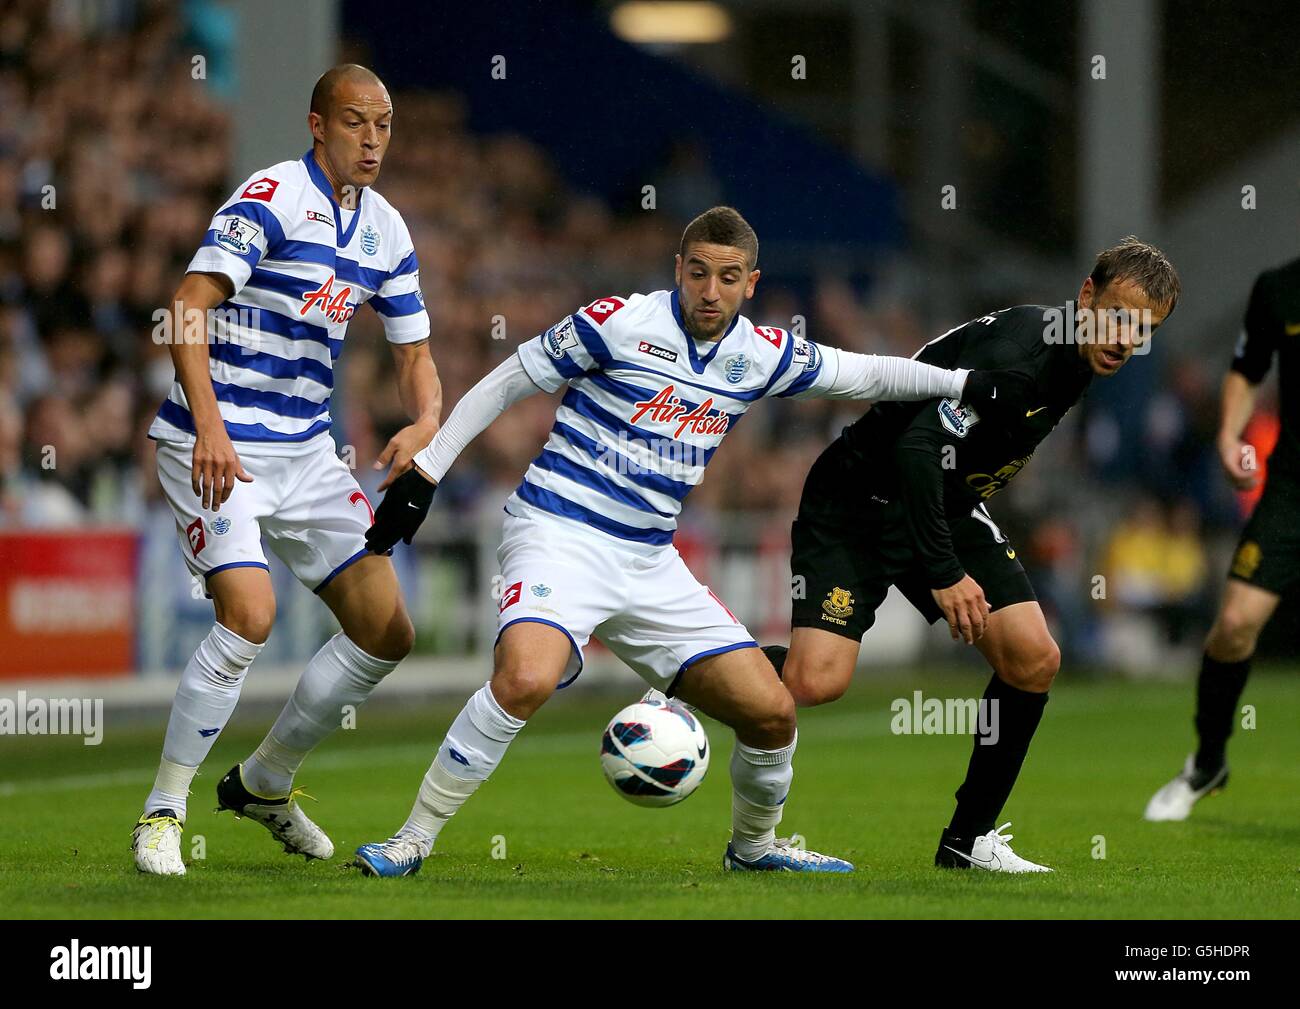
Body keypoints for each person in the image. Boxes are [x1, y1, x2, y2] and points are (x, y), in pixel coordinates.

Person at [352, 206, 1016, 877]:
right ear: (678, 269)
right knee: (525, 676)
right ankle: (412, 839)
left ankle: (754, 850)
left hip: (647, 559)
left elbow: (866, 374)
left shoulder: (760, 354)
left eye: (728, 278)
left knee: (772, 711)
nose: (710, 290)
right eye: (697, 273)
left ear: (750, 283)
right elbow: (509, 379)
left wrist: (960, 383)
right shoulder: (618, 321)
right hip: (559, 532)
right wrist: (430, 468)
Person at [766, 237, 1180, 872]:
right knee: (813, 681)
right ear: (1086, 295)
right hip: (861, 499)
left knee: (1034, 658)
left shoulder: (1078, 355)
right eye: (1119, 317)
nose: (1126, 339)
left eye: (1144, 330)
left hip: (945, 502)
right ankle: (698, 668)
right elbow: (915, 451)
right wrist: (945, 572)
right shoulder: (1023, 357)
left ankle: (968, 842)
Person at [132, 65, 441, 876]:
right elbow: (186, 306)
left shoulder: (387, 231)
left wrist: (428, 420)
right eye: (354, 122)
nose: (372, 139)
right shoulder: (271, 197)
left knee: (387, 630)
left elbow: (414, 353)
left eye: (384, 123)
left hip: (304, 452)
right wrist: (208, 427)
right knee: (250, 613)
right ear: (316, 126)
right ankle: (162, 811)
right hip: (216, 439)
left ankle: (266, 781)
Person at [1145, 255, 1299, 821]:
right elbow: (1246, 369)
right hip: (1291, 489)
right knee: (1233, 625)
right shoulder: (1279, 288)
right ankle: (1208, 762)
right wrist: (1231, 434)